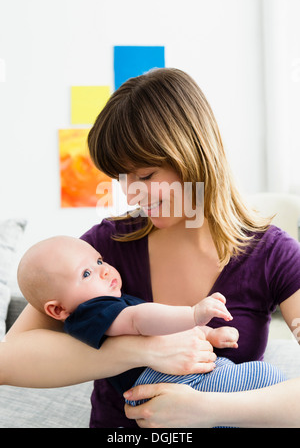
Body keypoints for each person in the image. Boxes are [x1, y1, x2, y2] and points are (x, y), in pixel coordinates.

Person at [2, 68, 300, 428]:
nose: (130, 194)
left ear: (195, 155)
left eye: (145, 176)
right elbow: (8, 360)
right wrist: (143, 349)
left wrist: (204, 410)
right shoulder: (102, 249)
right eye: (121, 178)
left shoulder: (273, 255)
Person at [16, 235, 286, 402]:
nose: (104, 271)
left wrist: (209, 335)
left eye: (99, 261)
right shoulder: (92, 311)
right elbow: (138, 321)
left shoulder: (112, 302)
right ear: (57, 310)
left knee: (261, 388)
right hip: (168, 385)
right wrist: (193, 315)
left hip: (188, 379)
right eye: (85, 274)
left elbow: (166, 334)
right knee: (265, 377)